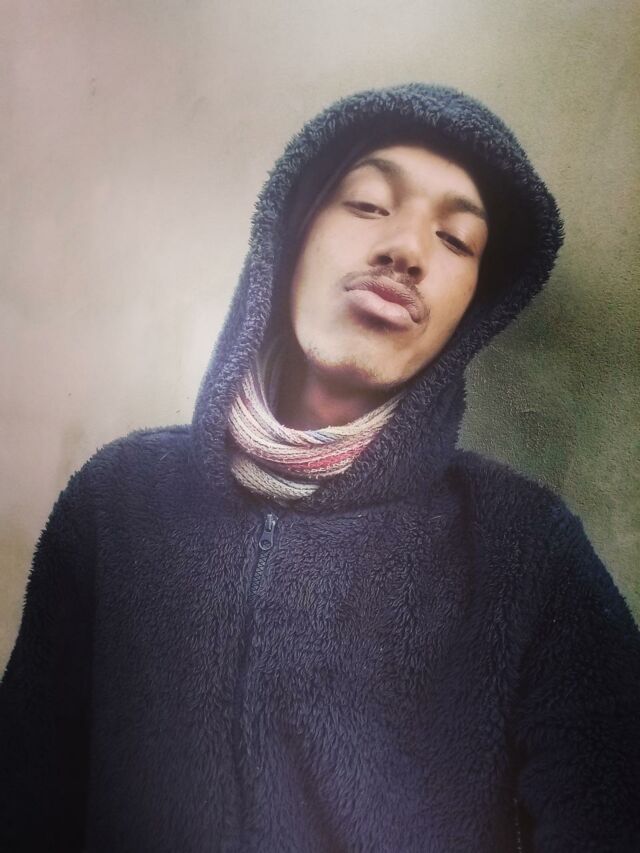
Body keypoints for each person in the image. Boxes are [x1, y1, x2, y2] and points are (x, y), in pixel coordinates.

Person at [1, 83, 639, 852]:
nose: (406, 249)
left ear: (475, 303)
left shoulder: (527, 551)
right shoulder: (116, 505)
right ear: (293, 231)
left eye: (456, 239)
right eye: (367, 204)